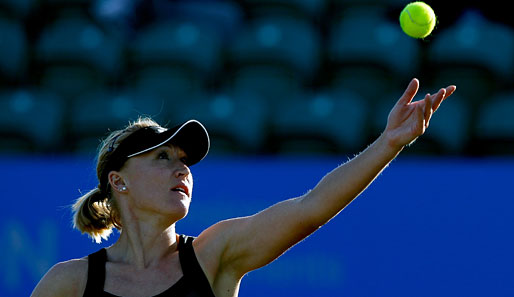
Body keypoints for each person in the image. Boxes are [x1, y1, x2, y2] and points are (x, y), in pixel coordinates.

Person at [31, 78, 456, 297]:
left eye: (184, 161)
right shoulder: (68, 283)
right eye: (163, 157)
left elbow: (313, 207)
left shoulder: (214, 255)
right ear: (118, 181)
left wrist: (388, 143)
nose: (181, 169)